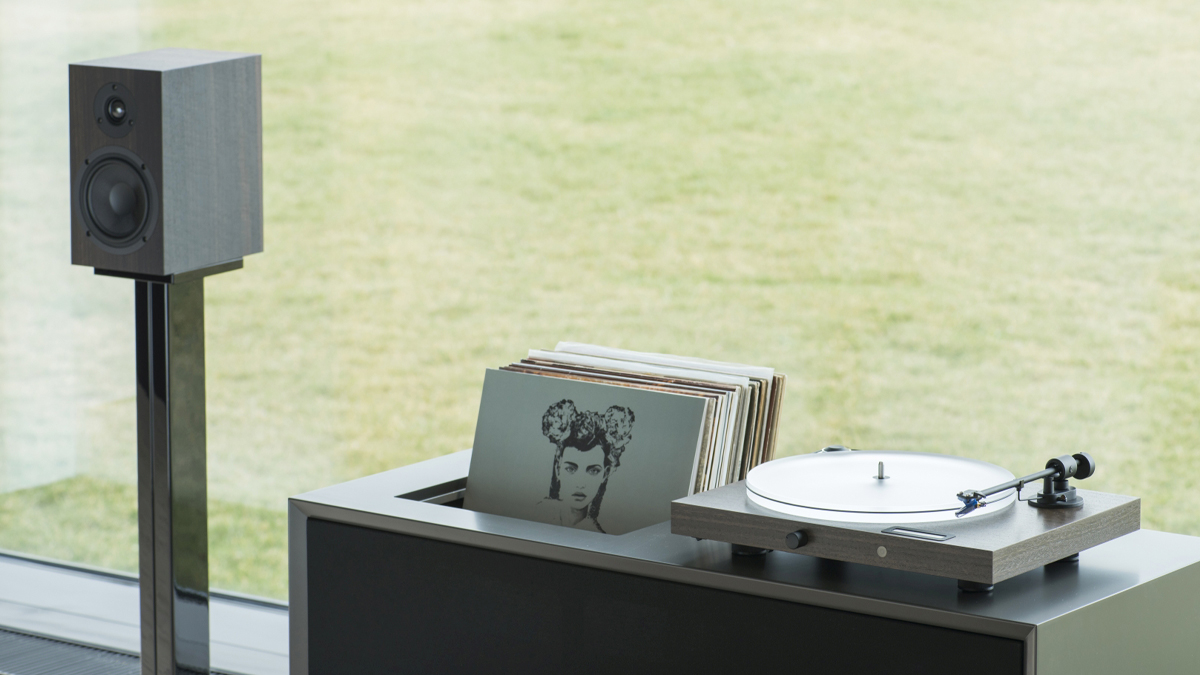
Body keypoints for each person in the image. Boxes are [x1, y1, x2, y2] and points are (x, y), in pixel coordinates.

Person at [535, 400, 635, 533]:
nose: (580, 483)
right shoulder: (534, 515)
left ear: (605, 474)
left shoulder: (598, 537)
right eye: (570, 469)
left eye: (593, 471)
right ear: (558, 469)